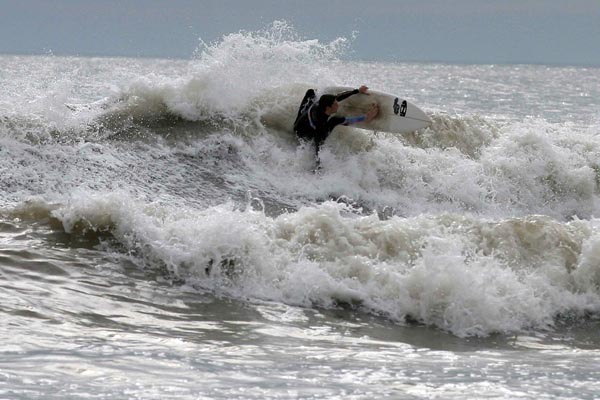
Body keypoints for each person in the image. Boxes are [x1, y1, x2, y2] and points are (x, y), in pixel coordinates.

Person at [293, 85, 379, 167]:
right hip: (303, 134)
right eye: (335, 104)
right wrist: (318, 165)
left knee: (311, 92)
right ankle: (366, 118)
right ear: (328, 108)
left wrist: (356, 91)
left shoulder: (320, 103)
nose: (338, 104)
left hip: (299, 123)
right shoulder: (321, 124)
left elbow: (338, 97)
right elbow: (318, 144)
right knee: (335, 120)